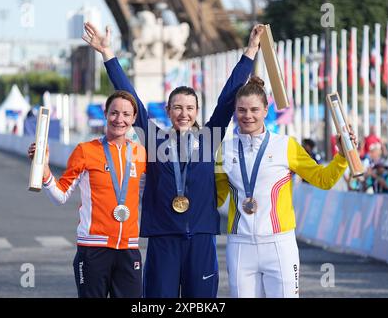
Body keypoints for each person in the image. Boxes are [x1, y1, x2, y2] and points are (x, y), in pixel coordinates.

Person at [82, 21, 264, 297]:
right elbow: (131, 99)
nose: (183, 113)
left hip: (201, 238)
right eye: (177, 107)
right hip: (163, 238)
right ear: (168, 110)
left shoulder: (208, 139)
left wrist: (250, 51)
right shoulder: (155, 140)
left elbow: (228, 98)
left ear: (197, 111)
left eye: (190, 108)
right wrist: (107, 53)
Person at [215, 77, 357, 298]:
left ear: (265, 110)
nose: (248, 116)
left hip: (279, 244)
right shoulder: (225, 150)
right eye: (241, 110)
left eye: (254, 109)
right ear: (235, 111)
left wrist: (342, 156)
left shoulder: (286, 146)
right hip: (240, 244)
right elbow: (216, 197)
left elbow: (322, 179)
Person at [27, 91, 147, 298]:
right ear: (105, 114)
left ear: (134, 118)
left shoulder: (141, 154)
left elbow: (149, 194)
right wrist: (44, 169)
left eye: (126, 114)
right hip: (93, 249)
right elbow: (60, 196)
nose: (120, 119)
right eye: (114, 113)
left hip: (129, 249)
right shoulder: (85, 151)